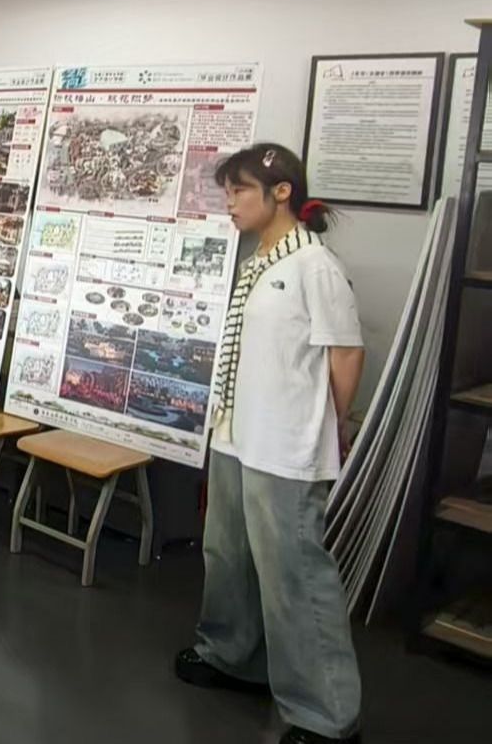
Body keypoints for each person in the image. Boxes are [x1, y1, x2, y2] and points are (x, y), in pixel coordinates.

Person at [175, 143, 366, 744]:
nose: (229, 203)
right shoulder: (258, 259)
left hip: (284, 447)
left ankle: (326, 715)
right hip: (236, 435)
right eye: (227, 191)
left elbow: (346, 354)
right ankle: (233, 656)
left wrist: (325, 425)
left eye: (239, 191)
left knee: (295, 574)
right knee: (228, 554)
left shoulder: (314, 265)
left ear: (281, 192)